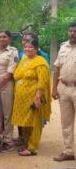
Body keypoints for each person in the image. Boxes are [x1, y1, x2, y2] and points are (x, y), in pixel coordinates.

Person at [12, 36, 51, 156]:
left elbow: (42, 82)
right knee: (24, 122)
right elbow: (17, 75)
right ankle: (26, 145)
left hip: (33, 97)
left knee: (34, 122)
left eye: (31, 47)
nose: (28, 49)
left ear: (36, 48)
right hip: (21, 98)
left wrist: (38, 97)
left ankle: (32, 148)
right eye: (26, 47)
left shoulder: (41, 62)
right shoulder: (23, 60)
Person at [52, 22, 76, 162]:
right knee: (66, 122)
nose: (72, 34)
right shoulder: (63, 47)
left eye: (75, 31)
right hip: (64, 88)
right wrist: (54, 88)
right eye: (70, 31)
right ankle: (68, 151)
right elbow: (56, 69)